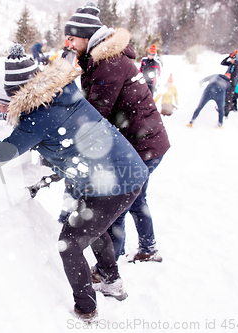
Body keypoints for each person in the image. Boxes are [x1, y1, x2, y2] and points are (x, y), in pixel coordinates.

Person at [0, 45, 148, 322]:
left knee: (69, 244)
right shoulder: (61, 94)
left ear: (16, 95)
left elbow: (2, 153)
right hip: (118, 172)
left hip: (113, 183)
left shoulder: (38, 116)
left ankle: (86, 309)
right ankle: (110, 280)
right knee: (92, 227)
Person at [65, 3, 170, 263]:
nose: (68, 43)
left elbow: (96, 112)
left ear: (87, 38)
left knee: (117, 205)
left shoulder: (108, 63)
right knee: (136, 199)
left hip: (142, 145)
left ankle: (111, 264)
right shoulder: (99, 59)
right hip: (144, 142)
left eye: (72, 37)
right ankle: (148, 248)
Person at [221, 49, 238, 116]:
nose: (231, 60)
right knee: (231, 97)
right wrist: (229, 57)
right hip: (227, 82)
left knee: (228, 98)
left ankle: (225, 113)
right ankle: (234, 108)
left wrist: (236, 59)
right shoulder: (231, 64)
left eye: (232, 59)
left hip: (232, 83)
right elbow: (222, 63)